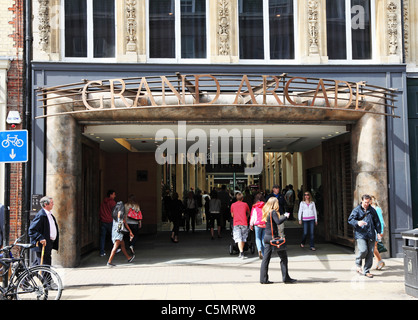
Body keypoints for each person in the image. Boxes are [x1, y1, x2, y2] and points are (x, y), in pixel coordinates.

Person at [259, 197, 295, 284]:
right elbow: (278, 222)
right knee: (283, 257)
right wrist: (286, 216)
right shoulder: (273, 212)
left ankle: (263, 279)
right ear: (275, 204)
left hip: (267, 237)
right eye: (277, 203)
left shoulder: (267, 212)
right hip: (274, 238)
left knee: (266, 259)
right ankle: (285, 278)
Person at [348, 194, 382, 278]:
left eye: (368, 202)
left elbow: (377, 222)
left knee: (370, 253)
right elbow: (350, 220)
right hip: (360, 234)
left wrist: (378, 232)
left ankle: (366, 271)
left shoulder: (372, 210)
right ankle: (358, 263)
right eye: (365, 202)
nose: (367, 204)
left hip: (371, 234)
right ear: (362, 201)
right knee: (363, 250)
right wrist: (357, 222)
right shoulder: (357, 210)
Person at [28, 196, 59, 266]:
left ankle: (27, 277)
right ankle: (47, 277)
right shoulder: (41, 215)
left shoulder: (49, 215)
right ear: (45, 204)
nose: (53, 204)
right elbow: (32, 230)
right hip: (43, 245)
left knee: (37, 265)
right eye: (51, 203)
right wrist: (41, 238)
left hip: (49, 243)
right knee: (45, 265)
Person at [107, 201, 135, 267]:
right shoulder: (121, 213)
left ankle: (128, 257)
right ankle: (109, 261)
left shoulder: (114, 213)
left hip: (114, 231)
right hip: (119, 232)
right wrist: (130, 231)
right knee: (115, 247)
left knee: (122, 245)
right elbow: (124, 223)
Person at [230, 192, 250, 259]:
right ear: (242, 198)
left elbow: (232, 215)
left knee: (238, 238)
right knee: (243, 238)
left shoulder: (233, 205)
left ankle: (241, 253)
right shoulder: (245, 204)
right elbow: (248, 213)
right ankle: (241, 252)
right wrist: (246, 217)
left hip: (236, 223)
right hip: (244, 223)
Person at [99, 190, 116, 257]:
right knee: (114, 236)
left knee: (102, 237)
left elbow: (100, 211)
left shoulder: (103, 202)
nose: (115, 196)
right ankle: (115, 249)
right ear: (110, 195)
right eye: (114, 194)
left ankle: (102, 252)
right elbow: (115, 211)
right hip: (110, 221)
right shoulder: (112, 202)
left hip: (103, 221)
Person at [371, 195, 385, 270]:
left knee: (373, 247)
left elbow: (381, 221)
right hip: (372, 230)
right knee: (374, 247)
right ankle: (379, 262)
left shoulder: (377, 209)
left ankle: (380, 261)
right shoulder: (370, 209)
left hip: (376, 231)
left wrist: (381, 231)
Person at [250, 193, 266, 259]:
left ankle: (259, 249)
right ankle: (264, 253)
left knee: (257, 238)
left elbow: (253, 216)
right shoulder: (265, 206)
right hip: (264, 224)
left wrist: (251, 224)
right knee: (263, 238)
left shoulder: (254, 207)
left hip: (257, 224)